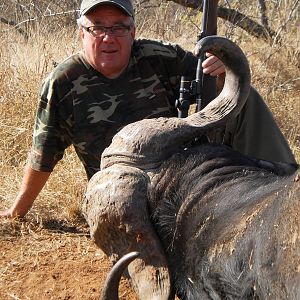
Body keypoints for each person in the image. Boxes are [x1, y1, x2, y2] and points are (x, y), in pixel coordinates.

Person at [0, 0, 297, 219]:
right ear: (82, 33)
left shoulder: (158, 56)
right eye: (98, 28)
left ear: (133, 32)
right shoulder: (63, 82)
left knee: (244, 98)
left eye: (118, 27)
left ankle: (287, 192)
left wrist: (221, 71)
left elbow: (210, 82)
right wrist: (17, 211)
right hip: (122, 193)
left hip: (183, 175)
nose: (108, 37)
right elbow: (43, 155)